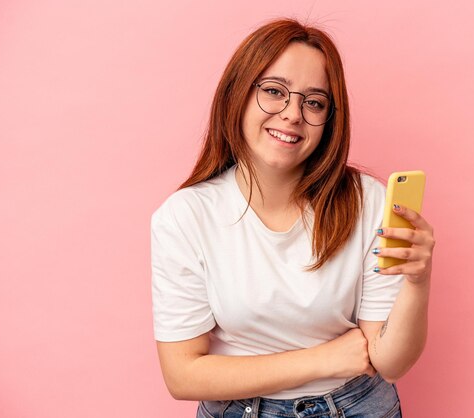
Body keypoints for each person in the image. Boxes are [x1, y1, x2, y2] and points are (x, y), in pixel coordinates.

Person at [151, 18, 435, 418]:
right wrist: (325, 360)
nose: (292, 114)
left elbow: (389, 362)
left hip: (358, 406)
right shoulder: (185, 217)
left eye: (314, 102)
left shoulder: (369, 202)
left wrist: (417, 281)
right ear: (237, 94)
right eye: (273, 91)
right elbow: (183, 375)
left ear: (329, 120)